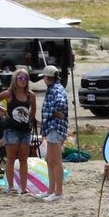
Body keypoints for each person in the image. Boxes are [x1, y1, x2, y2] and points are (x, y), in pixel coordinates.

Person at [0, 68, 36, 195]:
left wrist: (27, 119)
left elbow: (33, 110)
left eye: (25, 78)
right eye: (20, 78)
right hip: (11, 129)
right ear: (15, 79)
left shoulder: (31, 95)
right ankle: (11, 187)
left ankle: (24, 188)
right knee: (11, 158)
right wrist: (3, 110)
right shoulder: (9, 93)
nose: (23, 80)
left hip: (25, 130)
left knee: (24, 159)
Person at [38, 65, 68, 198]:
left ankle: (59, 192)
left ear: (47, 78)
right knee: (50, 160)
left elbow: (61, 103)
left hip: (55, 127)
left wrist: (54, 113)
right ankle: (51, 190)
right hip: (52, 127)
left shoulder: (55, 89)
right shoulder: (55, 88)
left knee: (56, 161)